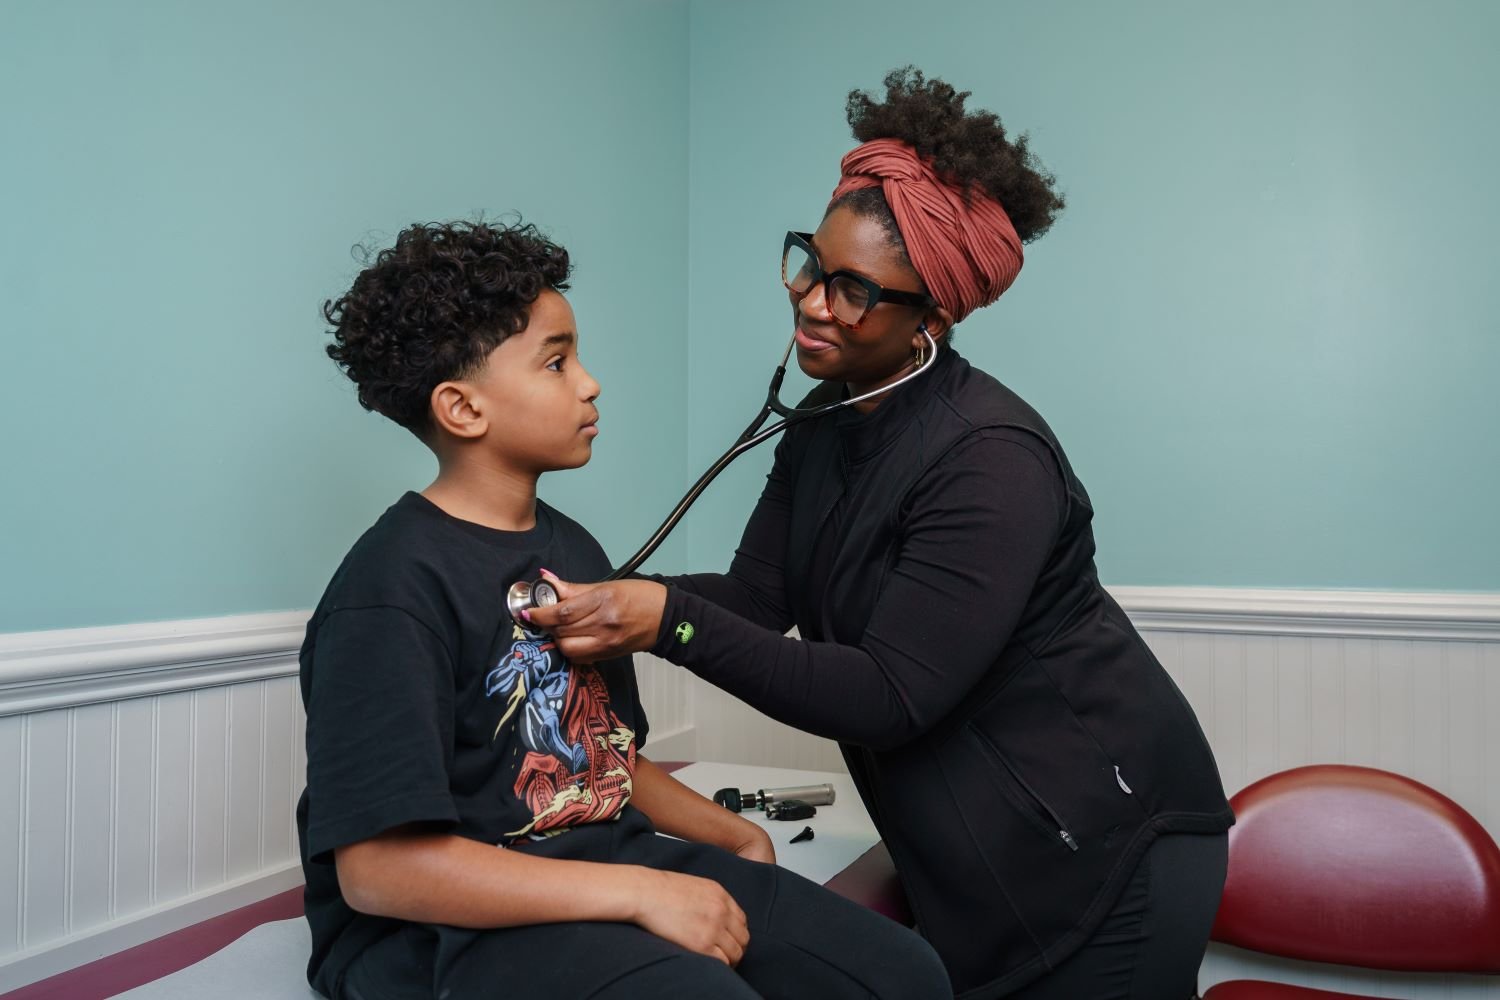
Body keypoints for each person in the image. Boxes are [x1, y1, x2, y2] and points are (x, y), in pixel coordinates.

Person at [528, 69, 1235, 999]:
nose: (814, 303)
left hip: (1109, 856)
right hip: (978, 855)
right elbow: (758, 598)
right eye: (812, 266)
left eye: (857, 291)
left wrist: (665, 622)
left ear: (931, 318)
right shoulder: (829, 417)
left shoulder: (992, 458)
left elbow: (888, 695)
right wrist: (599, 594)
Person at [296, 219, 951, 999]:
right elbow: (377, 872)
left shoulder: (572, 552)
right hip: (439, 932)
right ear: (462, 409)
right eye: (556, 361)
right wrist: (642, 895)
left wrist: (727, 830)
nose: (589, 383)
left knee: (905, 974)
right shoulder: (390, 589)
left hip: (597, 865)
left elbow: (605, 763)